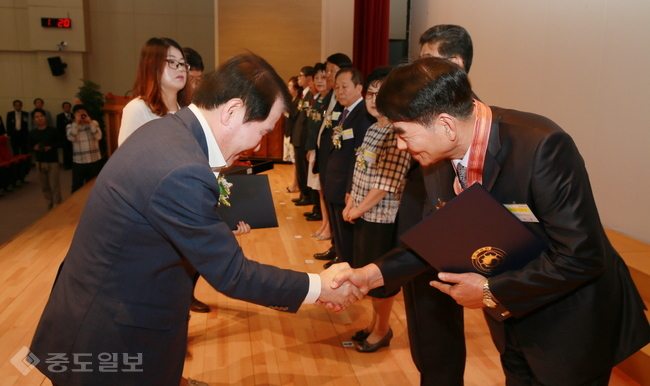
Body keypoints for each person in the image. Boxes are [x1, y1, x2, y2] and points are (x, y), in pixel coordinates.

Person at [28, 53, 363, 386]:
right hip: (109, 336)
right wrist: (320, 287)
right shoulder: (182, 169)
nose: (259, 143)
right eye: (263, 131)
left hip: (113, 311)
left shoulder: (168, 132)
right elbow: (232, 274)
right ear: (232, 111)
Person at [330, 57, 650, 386]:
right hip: (512, 319)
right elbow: (439, 239)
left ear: (446, 125)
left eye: (401, 133)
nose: (399, 145)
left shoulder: (540, 147)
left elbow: (582, 255)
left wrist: (488, 291)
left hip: (573, 324)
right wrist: (372, 274)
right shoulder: (437, 158)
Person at [393, 24, 478, 386]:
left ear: (455, 64)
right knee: (424, 341)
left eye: (427, 60)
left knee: (438, 342)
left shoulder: (466, 123)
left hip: (443, 248)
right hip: (420, 239)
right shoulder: (426, 111)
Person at [342, 66, 411, 353]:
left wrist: (358, 209)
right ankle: (374, 324)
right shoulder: (374, 128)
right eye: (370, 92)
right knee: (367, 273)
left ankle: (382, 330)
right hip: (364, 212)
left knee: (381, 277)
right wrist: (350, 202)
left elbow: (386, 182)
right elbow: (360, 170)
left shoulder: (397, 130)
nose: (372, 98)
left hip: (381, 217)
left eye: (379, 93)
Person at [320, 67, 373, 268]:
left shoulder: (363, 115)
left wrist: (351, 189)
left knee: (347, 233)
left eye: (344, 87)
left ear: (359, 87)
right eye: (337, 87)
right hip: (334, 180)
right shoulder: (343, 112)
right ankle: (340, 261)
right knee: (338, 230)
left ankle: (348, 267)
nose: (339, 91)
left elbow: (358, 156)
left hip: (346, 185)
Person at [313, 53, 353, 267]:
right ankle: (337, 249)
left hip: (343, 174)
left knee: (342, 219)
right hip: (332, 168)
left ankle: (342, 255)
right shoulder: (334, 101)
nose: (328, 76)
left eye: (331, 71)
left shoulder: (358, 112)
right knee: (334, 215)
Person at [118, 37, 191, 145]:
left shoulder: (187, 110)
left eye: (182, 63)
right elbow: (127, 158)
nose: (180, 68)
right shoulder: (138, 109)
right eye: (172, 61)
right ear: (153, 66)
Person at [304, 63, 331, 236]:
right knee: (320, 190)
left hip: (323, 151)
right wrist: (310, 148)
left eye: (323, 77)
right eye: (317, 78)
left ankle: (328, 227)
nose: (320, 81)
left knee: (324, 190)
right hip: (315, 149)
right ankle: (325, 225)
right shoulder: (319, 99)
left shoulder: (330, 99)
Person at [291, 66, 315, 207]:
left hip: (303, 138)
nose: (299, 79)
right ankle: (303, 194)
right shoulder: (303, 94)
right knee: (300, 169)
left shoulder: (310, 95)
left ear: (308, 78)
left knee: (304, 169)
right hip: (297, 136)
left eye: (301, 76)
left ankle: (307, 196)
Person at [30, 109, 61, 209]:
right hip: (39, 162)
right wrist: (34, 148)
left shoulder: (53, 130)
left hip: (52, 161)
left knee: (54, 186)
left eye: (41, 116)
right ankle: (50, 206)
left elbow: (61, 143)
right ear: (33, 120)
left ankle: (57, 206)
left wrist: (51, 147)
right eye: (36, 117)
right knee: (45, 187)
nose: (39, 119)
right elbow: (28, 146)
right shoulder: (32, 133)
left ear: (45, 118)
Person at [67, 104, 103, 193]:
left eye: (83, 112)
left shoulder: (94, 123)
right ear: (74, 115)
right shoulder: (70, 126)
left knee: (93, 187)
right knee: (76, 187)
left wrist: (90, 123)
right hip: (79, 162)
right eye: (78, 112)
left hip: (94, 160)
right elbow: (71, 138)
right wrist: (76, 123)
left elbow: (98, 137)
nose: (81, 114)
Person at [284, 76, 302, 189]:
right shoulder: (290, 100)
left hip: (294, 134)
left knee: (295, 161)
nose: (288, 88)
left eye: (290, 86)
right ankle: (295, 183)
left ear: (296, 89)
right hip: (288, 132)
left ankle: (295, 184)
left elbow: (294, 116)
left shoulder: (299, 101)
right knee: (292, 160)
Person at [56, 102, 74, 170]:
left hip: (72, 136)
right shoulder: (59, 116)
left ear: (70, 107)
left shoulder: (73, 115)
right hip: (64, 137)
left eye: (68, 106)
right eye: (65, 106)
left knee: (72, 151)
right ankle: (66, 165)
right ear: (63, 108)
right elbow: (59, 128)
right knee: (65, 152)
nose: (67, 108)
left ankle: (72, 165)